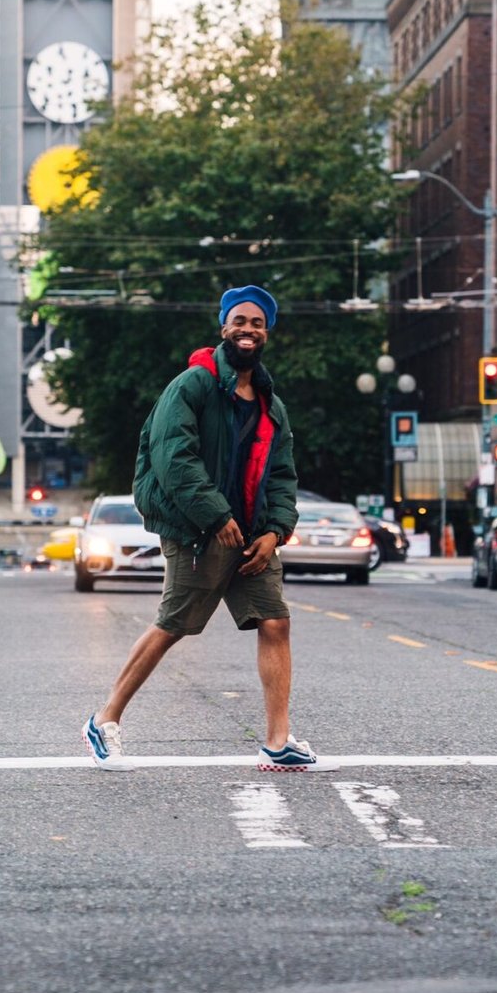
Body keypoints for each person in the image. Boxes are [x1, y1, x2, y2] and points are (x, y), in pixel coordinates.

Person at [82, 286, 315, 771]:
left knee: (276, 622)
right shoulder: (192, 385)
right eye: (239, 321)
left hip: (253, 536)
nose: (248, 329)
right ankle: (104, 719)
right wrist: (217, 516)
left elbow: (283, 476)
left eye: (257, 323)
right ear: (223, 328)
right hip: (199, 531)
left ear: (266, 332)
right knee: (174, 625)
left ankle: (278, 741)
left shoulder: (272, 404)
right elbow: (175, 459)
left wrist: (276, 531)